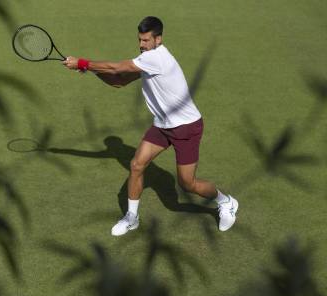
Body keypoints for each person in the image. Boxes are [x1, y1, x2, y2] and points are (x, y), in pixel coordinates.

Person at [63, 16, 238, 236]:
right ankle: (132, 218)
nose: (141, 44)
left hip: (186, 127)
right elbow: (119, 82)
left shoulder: (158, 58)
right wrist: (92, 71)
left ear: (158, 39)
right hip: (163, 125)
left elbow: (117, 68)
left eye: (146, 40)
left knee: (187, 184)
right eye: (140, 40)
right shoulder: (147, 58)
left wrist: (82, 62)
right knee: (136, 165)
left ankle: (226, 202)